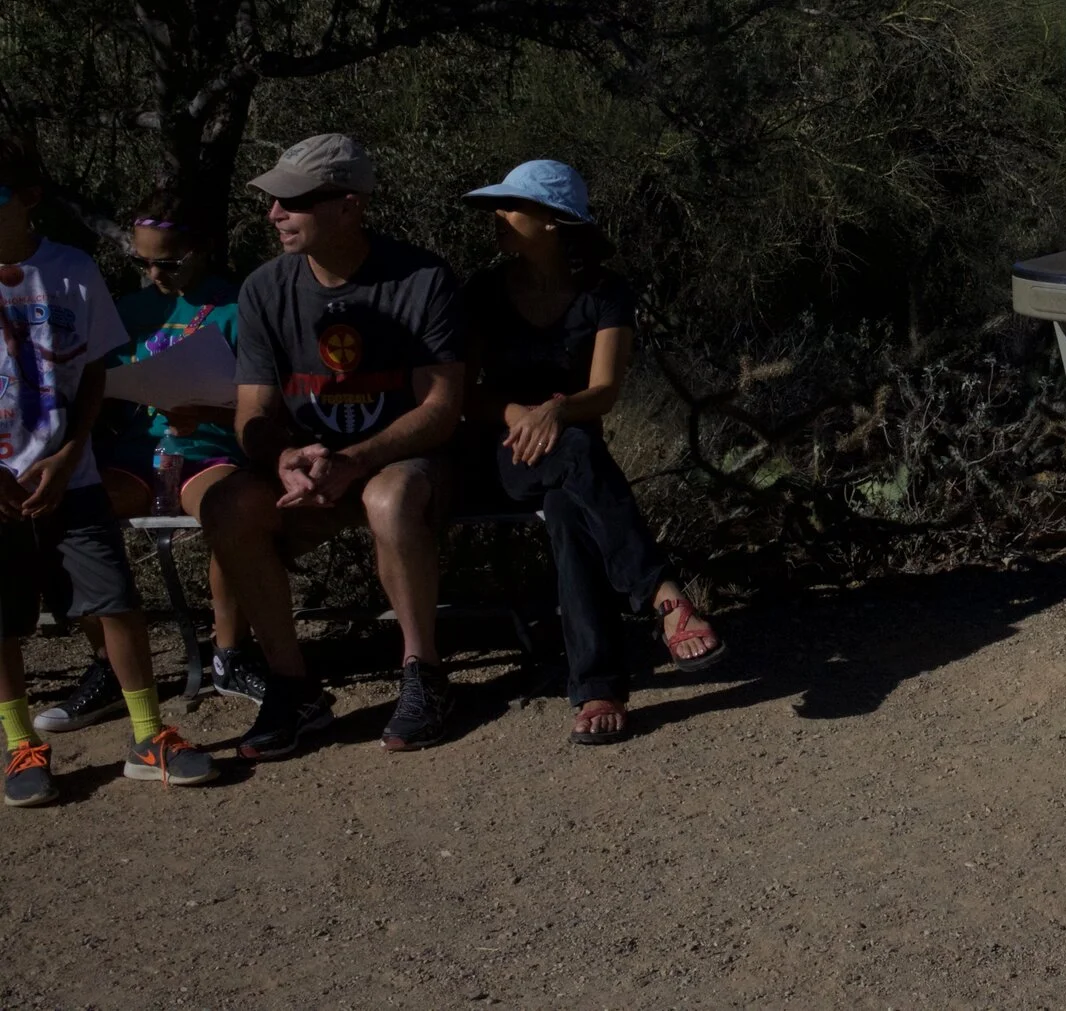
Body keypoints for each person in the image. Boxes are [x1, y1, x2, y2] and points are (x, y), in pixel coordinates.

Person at [203, 133, 466, 759]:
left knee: (391, 499)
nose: (274, 214)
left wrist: (356, 461)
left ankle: (423, 674)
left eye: (292, 201)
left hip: (396, 462)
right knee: (225, 505)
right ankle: (294, 689)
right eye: (273, 201)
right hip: (307, 468)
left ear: (349, 206)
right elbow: (254, 411)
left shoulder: (423, 279)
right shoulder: (265, 288)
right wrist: (280, 458)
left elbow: (441, 407)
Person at [457, 160, 722, 746]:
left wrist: (555, 409)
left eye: (511, 207)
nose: (498, 218)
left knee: (570, 510)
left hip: (573, 455)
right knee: (575, 456)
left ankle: (598, 689)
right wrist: (523, 416)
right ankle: (663, 596)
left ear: (551, 222)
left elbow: (602, 392)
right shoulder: (482, 292)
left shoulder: (605, 293)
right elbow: (468, 392)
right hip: (502, 453)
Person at [0, 132, 214, 804]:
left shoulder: (71, 269)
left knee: (116, 602)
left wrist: (70, 453)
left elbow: (94, 369)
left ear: (29, 199)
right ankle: (18, 746)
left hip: (73, 474)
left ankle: (148, 734)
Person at [40, 193, 260, 738]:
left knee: (231, 509)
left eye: (168, 261)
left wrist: (206, 410)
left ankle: (230, 651)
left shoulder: (239, 307)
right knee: (69, 512)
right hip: (138, 452)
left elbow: (260, 399)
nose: (155, 273)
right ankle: (110, 666)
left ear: (203, 249)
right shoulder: (127, 310)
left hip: (210, 447)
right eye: (143, 262)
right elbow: (98, 385)